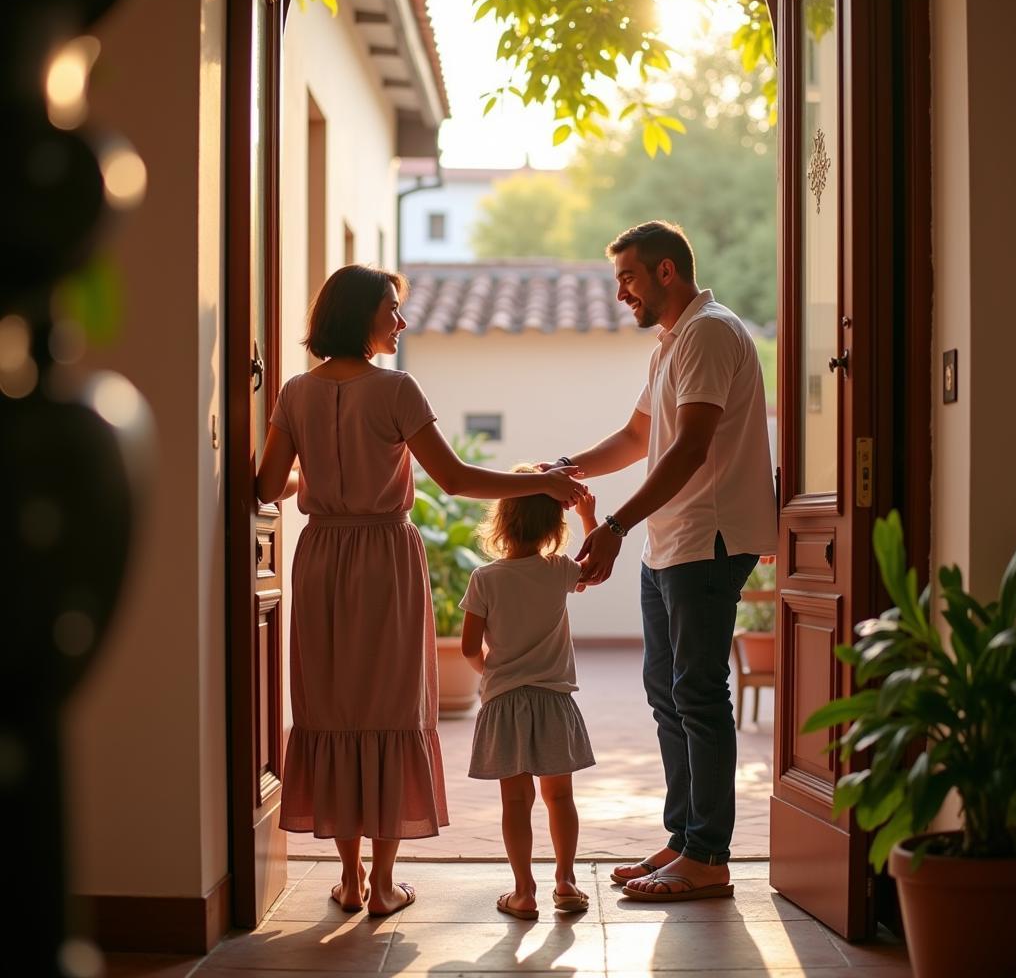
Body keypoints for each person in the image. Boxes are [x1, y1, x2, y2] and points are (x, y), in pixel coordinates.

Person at [255, 265, 584, 918]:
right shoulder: (398, 390)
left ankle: (347, 879)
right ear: (361, 316)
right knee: (390, 706)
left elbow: (267, 488)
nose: (400, 322)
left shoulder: (293, 393)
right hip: (384, 559)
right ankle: (381, 884)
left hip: (320, 557)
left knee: (332, 707)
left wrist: (313, 483)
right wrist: (540, 484)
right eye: (392, 310)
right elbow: (457, 480)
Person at [541, 220, 776, 902]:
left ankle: (709, 854)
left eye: (629, 279)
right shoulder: (673, 343)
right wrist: (563, 469)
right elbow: (639, 435)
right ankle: (683, 840)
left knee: (698, 695)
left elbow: (691, 448)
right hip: (670, 542)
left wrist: (614, 523)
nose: (621, 295)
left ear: (667, 271)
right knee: (668, 692)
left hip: (708, 540)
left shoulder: (708, 333)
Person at [459, 467, 597, 920]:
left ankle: (523, 891)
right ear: (552, 527)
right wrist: (590, 518)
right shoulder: (558, 570)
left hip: (504, 704)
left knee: (515, 802)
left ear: (501, 521)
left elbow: (467, 647)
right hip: (554, 701)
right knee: (560, 798)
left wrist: (491, 673)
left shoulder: (485, 578)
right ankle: (566, 881)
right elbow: (594, 572)